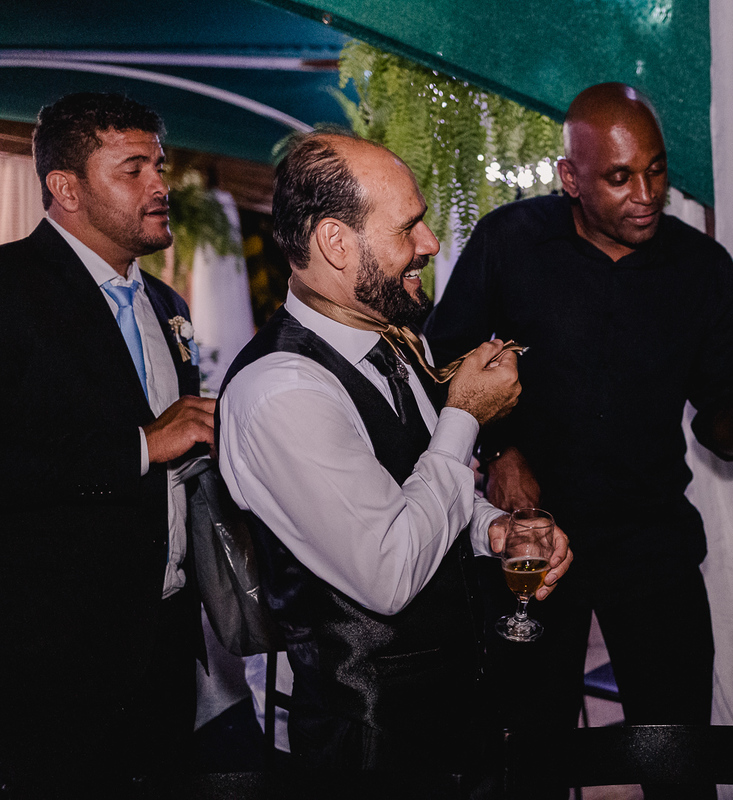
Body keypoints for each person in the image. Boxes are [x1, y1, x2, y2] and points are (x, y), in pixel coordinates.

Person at [424, 83, 733, 767]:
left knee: (678, 754)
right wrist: (499, 448)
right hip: (531, 537)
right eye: (620, 177)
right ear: (570, 177)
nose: (646, 193)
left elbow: (726, 436)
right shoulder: (509, 242)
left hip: (650, 540)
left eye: (655, 169)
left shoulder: (704, 271)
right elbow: (441, 363)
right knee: (527, 751)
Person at [217, 130, 571, 789]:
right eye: (410, 226)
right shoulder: (280, 394)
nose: (432, 244)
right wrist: (465, 413)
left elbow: (419, 492)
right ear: (335, 242)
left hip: (461, 725)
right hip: (375, 753)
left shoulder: (391, 344)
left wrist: (491, 528)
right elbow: (389, 570)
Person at [0, 93, 213, 793]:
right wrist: (141, 446)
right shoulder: (9, 290)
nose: (159, 185)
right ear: (65, 189)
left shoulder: (167, 306)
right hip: (53, 656)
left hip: (167, 641)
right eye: (132, 169)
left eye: (159, 164)